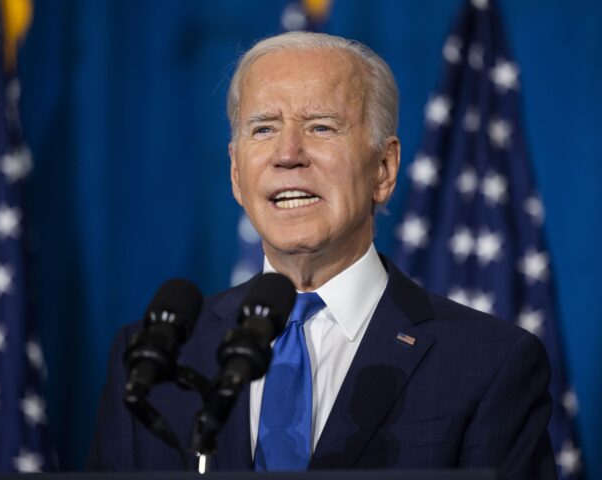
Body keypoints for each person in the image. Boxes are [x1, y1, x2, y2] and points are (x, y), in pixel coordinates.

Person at [88, 32, 556, 479]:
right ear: (235, 172)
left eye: (321, 126)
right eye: (264, 128)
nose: (287, 154)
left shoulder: (488, 364)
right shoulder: (152, 363)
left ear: (384, 169)